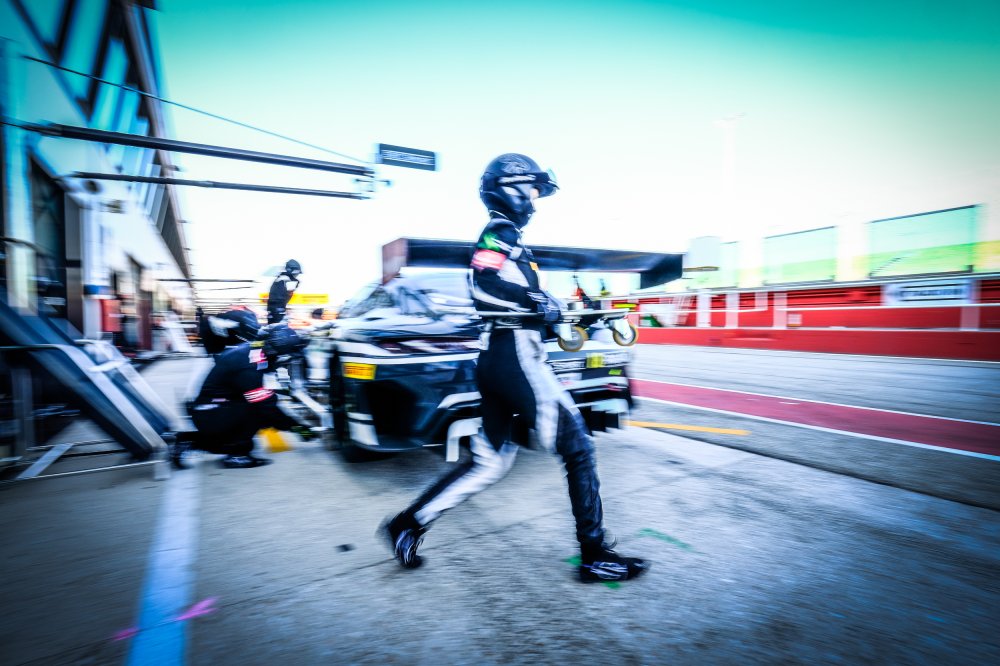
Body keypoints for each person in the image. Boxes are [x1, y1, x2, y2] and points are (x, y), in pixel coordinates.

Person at [382, 153, 649, 583]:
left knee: (489, 463)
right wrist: (537, 301)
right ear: (511, 188)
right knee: (578, 448)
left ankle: (407, 525)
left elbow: (504, 292)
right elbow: (483, 285)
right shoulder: (499, 231)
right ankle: (595, 554)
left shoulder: (507, 237)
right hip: (515, 357)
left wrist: (552, 312)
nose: (535, 201)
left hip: (499, 357)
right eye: (532, 191)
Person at [174, 323, 314, 469]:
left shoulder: (252, 351)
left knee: (257, 417)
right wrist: (299, 429)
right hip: (212, 414)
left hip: (212, 409)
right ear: (275, 351)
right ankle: (237, 455)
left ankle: (191, 442)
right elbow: (267, 406)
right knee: (260, 410)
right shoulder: (249, 366)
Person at [267, 259, 302, 324]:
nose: (296, 275)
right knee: (280, 327)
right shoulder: (289, 280)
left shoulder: (280, 278)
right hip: (279, 308)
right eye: (296, 273)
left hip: (272, 308)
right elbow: (289, 293)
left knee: (272, 326)